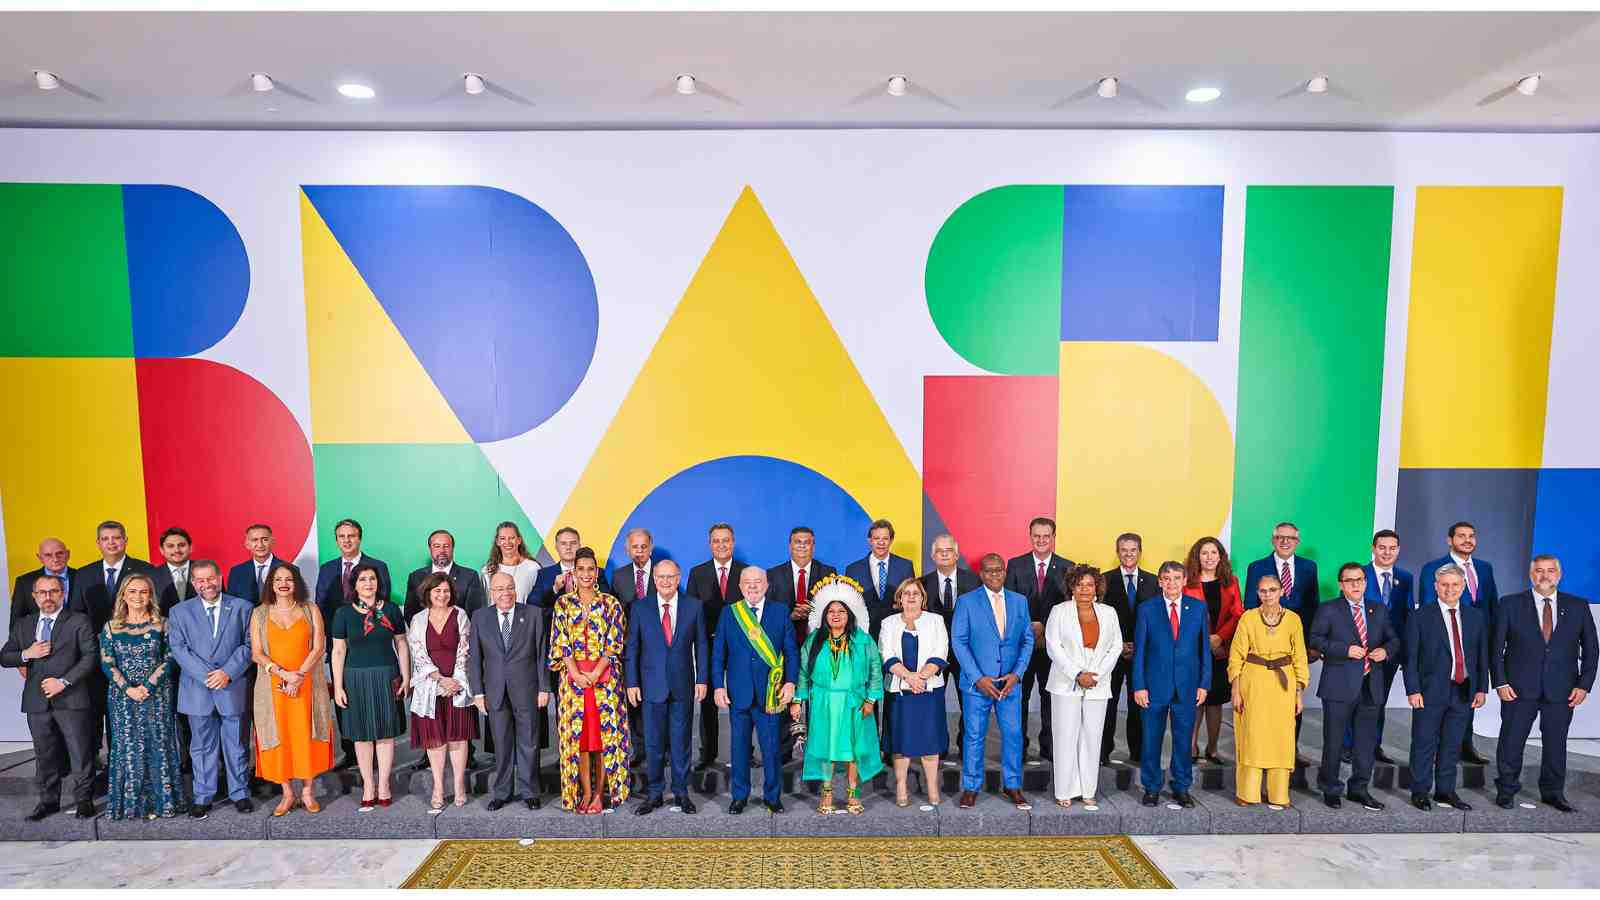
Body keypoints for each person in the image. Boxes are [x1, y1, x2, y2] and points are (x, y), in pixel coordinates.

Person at [1491, 554, 1597, 812]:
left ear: (1558, 575)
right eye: (1539, 571)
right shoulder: (1510, 604)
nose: (1545, 575)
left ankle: (1552, 793)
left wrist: (1583, 685)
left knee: (1556, 744)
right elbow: (1496, 648)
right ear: (1531, 575)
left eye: (1550, 571)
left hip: (1561, 690)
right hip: (1518, 689)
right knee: (1511, 742)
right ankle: (1506, 790)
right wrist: (1501, 683)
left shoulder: (1578, 606)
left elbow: (1592, 650)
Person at [1, 573, 98, 820]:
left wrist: (63, 682)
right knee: (44, 754)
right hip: (36, 702)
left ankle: (84, 799)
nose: (48, 597)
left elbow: (90, 658)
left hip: (72, 698)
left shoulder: (78, 620)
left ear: (62, 594)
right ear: (34, 596)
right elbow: (5, 656)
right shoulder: (24, 624)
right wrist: (26, 653)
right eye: (43, 592)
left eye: (54, 591)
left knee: (80, 752)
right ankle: (48, 801)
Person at [168, 559, 254, 818]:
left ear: (220, 578)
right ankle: (203, 795)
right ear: (193, 583)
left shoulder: (242, 608)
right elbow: (179, 649)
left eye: (211, 578)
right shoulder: (179, 612)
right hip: (198, 689)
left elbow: (249, 645)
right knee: (201, 746)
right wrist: (208, 676)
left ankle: (240, 792)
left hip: (233, 685)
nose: (207, 584)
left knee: (237, 743)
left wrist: (227, 672)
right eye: (201, 580)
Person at [98, 573, 186, 819]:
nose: (138, 596)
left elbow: (170, 657)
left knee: (159, 745)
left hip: (157, 697)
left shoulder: (162, 623)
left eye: (143, 592)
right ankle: (130, 805)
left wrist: (148, 685)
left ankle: (164, 803)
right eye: (133, 591)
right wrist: (128, 688)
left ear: (151, 596)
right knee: (127, 748)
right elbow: (107, 662)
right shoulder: (111, 627)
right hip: (122, 699)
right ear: (123, 595)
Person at [790, 579, 882, 814]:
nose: (836, 615)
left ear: (850, 614)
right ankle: (827, 791)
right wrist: (798, 700)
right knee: (826, 747)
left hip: (855, 702)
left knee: (853, 750)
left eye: (841, 611)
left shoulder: (863, 640)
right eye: (831, 611)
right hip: (824, 703)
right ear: (824, 615)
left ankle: (853, 793)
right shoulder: (814, 640)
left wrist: (871, 699)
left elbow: (875, 670)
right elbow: (802, 673)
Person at [249, 564, 335, 816]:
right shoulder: (260, 613)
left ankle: (308, 792)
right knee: (280, 737)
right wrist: (283, 674)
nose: (284, 583)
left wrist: (298, 676)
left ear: (297, 583)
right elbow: (257, 653)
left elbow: (319, 647)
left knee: (305, 735)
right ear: (271, 584)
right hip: (273, 687)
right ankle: (287, 793)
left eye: (289, 579)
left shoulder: (310, 609)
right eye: (278, 579)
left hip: (306, 684)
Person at [549, 549, 630, 813]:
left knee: (603, 740)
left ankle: (599, 794)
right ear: (574, 572)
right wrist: (575, 673)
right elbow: (560, 642)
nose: (585, 574)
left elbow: (615, 642)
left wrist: (595, 673)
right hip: (573, 684)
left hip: (604, 682)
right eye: (580, 569)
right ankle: (583, 793)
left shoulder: (610, 604)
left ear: (596, 572)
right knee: (580, 741)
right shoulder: (562, 604)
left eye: (590, 569)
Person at [1311, 563, 1397, 811]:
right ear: (1341, 584)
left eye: (1359, 580)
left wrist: (1386, 651)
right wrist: (1345, 650)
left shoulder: (1378, 609)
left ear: (1365, 582)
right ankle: (1330, 788)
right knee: (1334, 742)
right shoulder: (1329, 609)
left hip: (1371, 685)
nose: (1356, 584)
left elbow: (1394, 639)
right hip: (1338, 686)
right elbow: (1315, 639)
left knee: (1365, 744)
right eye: (1349, 581)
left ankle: (1359, 789)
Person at [952, 553, 1034, 810]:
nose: (994, 575)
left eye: (999, 570)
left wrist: (1017, 674)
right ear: (981, 574)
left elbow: (1027, 640)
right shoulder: (966, 602)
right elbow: (959, 641)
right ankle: (971, 787)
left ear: (1005, 571)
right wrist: (978, 678)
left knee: (1013, 734)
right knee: (974, 735)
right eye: (989, 571)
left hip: (1010, 684)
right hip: (978, 685)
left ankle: (1012, 785)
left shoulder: (1019, 602)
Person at [713, 566, 798, 814]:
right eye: (747, 582)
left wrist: (791, 682)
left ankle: (772, 796)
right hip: (739, 693)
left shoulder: (780, 612)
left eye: (757, 581)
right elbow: (719, 653)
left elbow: (791, 651)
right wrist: (719, 685)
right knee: (738, 749)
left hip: (770, 693)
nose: (752, 586)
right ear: (739, 587)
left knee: (771, 748)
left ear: (766, 584)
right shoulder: (729, 613)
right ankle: (740, 796)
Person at [626, 559, 708, 815]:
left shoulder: (693, 607)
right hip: (651, 687)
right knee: (653, 742)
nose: (665, 581)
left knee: (682, 741)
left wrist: (702, 679)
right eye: (660, 577)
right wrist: (632, 682)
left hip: (682, 686)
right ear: (654, 579)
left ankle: (681, 793)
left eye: (670, 577)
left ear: (678, 577)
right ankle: (654, 793)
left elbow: (703, 645)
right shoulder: (640, 607)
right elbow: (633, 648)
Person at [1403, 564, 1488, 811]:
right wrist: (1413, 690)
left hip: (1463, 690)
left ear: (1463, 587)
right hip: (1429, 691)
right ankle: (1420, 791)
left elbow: (1481, 656)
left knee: (1452, 744)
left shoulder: (1476, 617)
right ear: (1436, 587)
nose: (1450, 589)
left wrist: (1481, 688)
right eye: (1444, 585)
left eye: (1455, 585)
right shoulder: (1420, 616)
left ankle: (1445, 791)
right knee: (1423, 742)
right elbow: (1410, 657)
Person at [1418, 521, 1499, 765]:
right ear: (1449, 540)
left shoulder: (1484, 568)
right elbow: (1427, 607)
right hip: (1444, 642)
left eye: (1471, 536)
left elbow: (1492, 606)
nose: (1467, 540)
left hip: (1474, 642)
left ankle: (1465, 745)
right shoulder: (1432, 568)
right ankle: (1435, 750)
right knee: (1440, 699)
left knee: (1467, 697)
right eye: (1461, 536)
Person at [469, 571, 551, 810]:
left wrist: (544, 687)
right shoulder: (480, 617)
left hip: (528, 689)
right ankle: (502, 792)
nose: (505, 593)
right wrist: (478, 693)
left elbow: (541, 654)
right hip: (494, 691)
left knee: (529, 742)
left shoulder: (533, 614)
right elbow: (475, 658)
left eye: (510, 588)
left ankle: (530, 791)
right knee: (502, 745)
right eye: (499, 589)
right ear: (491, 593)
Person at [1132, 560, 1211, 808]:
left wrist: (1204, 684)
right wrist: (1139, 686)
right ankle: (1152, 787)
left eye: (1177, 578)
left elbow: (1204, 650)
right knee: (1151, 739)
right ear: (1160, 582)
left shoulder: (1198, 608)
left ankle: (1181, 786)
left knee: (1183, 740)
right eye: (1167, 578)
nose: (1172, 583)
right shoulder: (1147, 609)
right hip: (1154, 687)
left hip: (1187, 686)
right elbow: (1140, 651)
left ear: (1185, 580)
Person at [333, 562, 410, 812]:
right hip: (355, 678)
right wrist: (338, 687)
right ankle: (368, 785)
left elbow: (401, 644)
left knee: (385, 733)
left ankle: (384, 784)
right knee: (362, 735)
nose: (369, 584)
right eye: (363, 579)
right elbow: (338, 650)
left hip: (387, 675)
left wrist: (406, 677)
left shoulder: (390, 610)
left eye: (372, 579)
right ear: (354, 585)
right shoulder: (343, 614)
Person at [1044, 564, 1121, 808]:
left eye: (1089, 584)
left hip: (1098, 682)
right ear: (1072, 588)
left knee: (1092, 736)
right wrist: (1078, 674)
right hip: (1066, 682)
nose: (1085, 589)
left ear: (1096, 587)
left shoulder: (1109, 612)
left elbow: (1116, 647)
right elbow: (1053, 646)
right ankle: (1064, 790)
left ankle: (1088, 790)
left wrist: (1094, 675)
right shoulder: (1059, 611)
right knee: (1066, 736)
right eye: (1080, 585)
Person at [1227, 574, 1307, 807]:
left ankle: (1278, 794)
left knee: (1281, 738)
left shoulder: (1293, 619)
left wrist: (1299, 690)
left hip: (1283, 686)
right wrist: (1236, 688)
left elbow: (1300, 657)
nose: (1268, 595)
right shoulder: (1248, 618)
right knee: (1252, 735)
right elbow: (1236, 655)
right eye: (1263, 591)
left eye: (1272, 590)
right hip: (1253, 683)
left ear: (1281, 591)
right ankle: (1248, 792)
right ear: (1257, 593)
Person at [1005, 517, 1074, 762]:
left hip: (1053, 647)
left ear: (1053, 537)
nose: (1041, 540)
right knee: (1019, 699)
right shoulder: (1015, 565)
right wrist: (1030, 626)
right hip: (1022, 646)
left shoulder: (1068, 567)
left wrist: (1047, 628)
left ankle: (1049, 747)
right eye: (1037, 536)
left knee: (1050, 698)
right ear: (1030, 536)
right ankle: (1018, 747)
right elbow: (1009, 604)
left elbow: (1069, 606)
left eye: (1046, 536)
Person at [408, 573, 478, 813]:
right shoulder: (418, 619)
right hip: (430, 687)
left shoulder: (461, 616)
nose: (442, 595)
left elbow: (465, 650)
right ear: (428, 593)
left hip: (457, 687)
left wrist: (455, 681)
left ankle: (459, 786)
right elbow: (417, 653)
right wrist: (439, 680)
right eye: (437, 591)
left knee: (458, 738)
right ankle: (438, 787)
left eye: (446, 591)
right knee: (435, 739)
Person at [765, 525, 835, 763]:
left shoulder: (829, 572)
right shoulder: (772, 575)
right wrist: (790, 615)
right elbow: (768, 613)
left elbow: (836, 610)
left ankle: (817, 750)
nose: (802, 546)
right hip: (784, 648)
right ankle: (784, 750)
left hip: (819, 648)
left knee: (818, 699)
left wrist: (814, 613)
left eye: (807, 542)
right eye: (798, 542)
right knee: (785, 696)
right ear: (789, 545)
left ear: (813, 545)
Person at [880, 578, 949, 806]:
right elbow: (886, 654)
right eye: (906, 593)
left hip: (929, 693)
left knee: (930, 742)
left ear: (923, 598)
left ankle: (932, 787)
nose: (910, 597)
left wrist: (920, 678)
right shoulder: (888, 623)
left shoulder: (936, 621)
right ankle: (901, 786)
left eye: (915, 593)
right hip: (899, 693)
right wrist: (909, 677)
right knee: (901, 743)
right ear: (899, 598)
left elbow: (941, 651)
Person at [687, 522, 745, 772]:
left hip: (740, 647)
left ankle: (744, 752)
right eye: (716, 540)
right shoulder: (697, 573)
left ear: (733, 542)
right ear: (710, 544)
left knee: (741, 698)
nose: (721, 545)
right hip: (707, 645)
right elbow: (690, 612)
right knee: (709, 700)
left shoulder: (746, 572)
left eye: (726, 540)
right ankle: (708, 754)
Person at [1353, 529, 1411, 763]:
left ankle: (1373, 746)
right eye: (1382, 547)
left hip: (1388, 653)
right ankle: (1350, 746)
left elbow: (1407, 616)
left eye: (1392, 548)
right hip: (1360, 652)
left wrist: (1399, 651)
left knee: (1379, 700)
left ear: (1398, 550)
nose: (1387, 552)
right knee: (1355, 700)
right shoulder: (1359, 574)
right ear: (1373, 548)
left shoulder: (1405, 578)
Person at [1182, 537, 1242, 764]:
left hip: (1220, 650)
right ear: (1197, 556)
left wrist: (1219, 638)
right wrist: (1204, 641)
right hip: (1194, 650)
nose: (1209, 557)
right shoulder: (1187, 582)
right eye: (1204, 553)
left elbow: (1238, 614)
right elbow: (1183, 616)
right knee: (1196, 699)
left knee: (1215, 701)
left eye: (1213, 553)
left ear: (1221, 556)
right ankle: (1192, 747)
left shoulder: (1231, 581)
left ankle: (1213, 748)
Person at [1101, 533, 1157, 765]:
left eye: (1133, 550)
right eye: (1124, 550)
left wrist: (1138, 645)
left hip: (1142, 654)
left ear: (1140, 552)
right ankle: (1103, 752)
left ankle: (1138, 752)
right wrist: (1118, 644)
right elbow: (1100, 618)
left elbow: (1156, 619)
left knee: (1139, 705)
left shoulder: (1154, 581)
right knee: (1107, 704)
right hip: (1111, 654)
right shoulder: (1105, 579)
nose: (1128, 554)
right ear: (1117, 552)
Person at [920, 533, 978, 753]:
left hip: (967, 653)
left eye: (949, 551)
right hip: (934, 653)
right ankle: (938, 748)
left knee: (969, 703)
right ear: (933, 556)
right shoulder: (923, 583)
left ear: (957, 554)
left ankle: (967, 748)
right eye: (940, 551)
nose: (944, 555)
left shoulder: (973, 581)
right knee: (934, 703)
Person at [612, 528, 654, 764]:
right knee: (634, 701)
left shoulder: (662, 573)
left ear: (651, 548)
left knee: (659, 699)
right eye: (634, 547)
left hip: (659, 649)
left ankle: (663, 749)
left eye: (643, 546)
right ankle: (639, 749)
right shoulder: (619, 576)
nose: (639, 551)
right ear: (627, 550)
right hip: (631, 648)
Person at [70, 520, 155, 630]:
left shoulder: (146, 570)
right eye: (105, 539)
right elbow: (77, 613)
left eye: (116, 538)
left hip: (135, 636)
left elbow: (153, 606)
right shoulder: (84, 574)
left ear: (125, 540)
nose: (111, 542)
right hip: (94, 639)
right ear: (98, 543)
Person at [845, 519, 916, 650]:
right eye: (876, 538)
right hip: (864, 634)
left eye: (885, 538)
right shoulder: (853, 569)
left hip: (897, 632)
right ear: (870, 540)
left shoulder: (905, 566)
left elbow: (912, 600)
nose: (881, 542)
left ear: (891, 540)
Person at [314, 518, 392, 623]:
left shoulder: (378, 566)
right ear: (337, 541)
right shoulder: (326, 569)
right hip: (334, 631)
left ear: (359, 539)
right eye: (341, 536)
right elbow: (320, 604)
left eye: (351, 536)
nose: (346, 540)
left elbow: (383, 601)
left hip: (367, 629)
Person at [405, 530, 487, 622]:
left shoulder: (470, 576)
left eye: (446, 546)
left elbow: (474, 614)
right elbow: (410, 614)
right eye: (437, 546)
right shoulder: (416, 577)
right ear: (430, 548)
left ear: (453, 548)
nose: (442, 550)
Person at [528, 526, 610, 607]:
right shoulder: (544, 574)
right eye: (563, 543)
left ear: (579, 546)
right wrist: (554, 589)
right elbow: (533, 603)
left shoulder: (596, 572)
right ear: (556, 547)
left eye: (573, 543)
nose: (568, 547)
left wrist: (588, 586)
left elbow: (608, 601)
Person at [8, 537, 75, 628]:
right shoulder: (24, 583)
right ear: (39, 558)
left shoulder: (82, 577)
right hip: (40, 639)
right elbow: (16, 622)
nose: (55, 559)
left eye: (59, 553)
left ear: (67, 554)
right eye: (48, 555)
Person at [225, 523, 288, 606]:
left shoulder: (289, 570)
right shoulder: (237, 572)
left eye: (265, 539)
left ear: (272, 541)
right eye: (255, 540)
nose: (260, 545)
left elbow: (296, 602)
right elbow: (232, 604)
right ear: (247, 545)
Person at [481, 521, 541, 603]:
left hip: (525, 615)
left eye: (511, 538)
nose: (507, 542)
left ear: (519, 540)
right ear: (497, 542)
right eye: (502, 538)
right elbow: (485, 603)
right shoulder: (487, 570)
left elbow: (539, 601)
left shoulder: (533, 568)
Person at [149, 527, 195, 618]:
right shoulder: (151, 576)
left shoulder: (207, 571)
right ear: (162, 550)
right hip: (166, 628)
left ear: (190, 547)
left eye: (181, 545)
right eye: (170, 546)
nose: (176, 550)